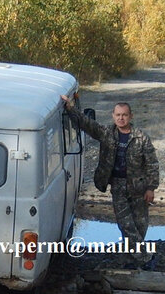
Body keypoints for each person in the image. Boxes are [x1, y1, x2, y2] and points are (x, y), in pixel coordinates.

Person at [62, 93, 159, 269]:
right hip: (118, 186)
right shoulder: (106, 133)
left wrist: (151, 188)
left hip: (139, 187)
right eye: (118, 115)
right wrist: (70, 108)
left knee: (140, 224)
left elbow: (152, 163)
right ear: (113, 116)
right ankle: (145, 257)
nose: (121, 118)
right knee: (125, 223)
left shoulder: (141, 138)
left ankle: (130, 257)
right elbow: (86, 123)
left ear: (130, 117)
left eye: (124, 115)